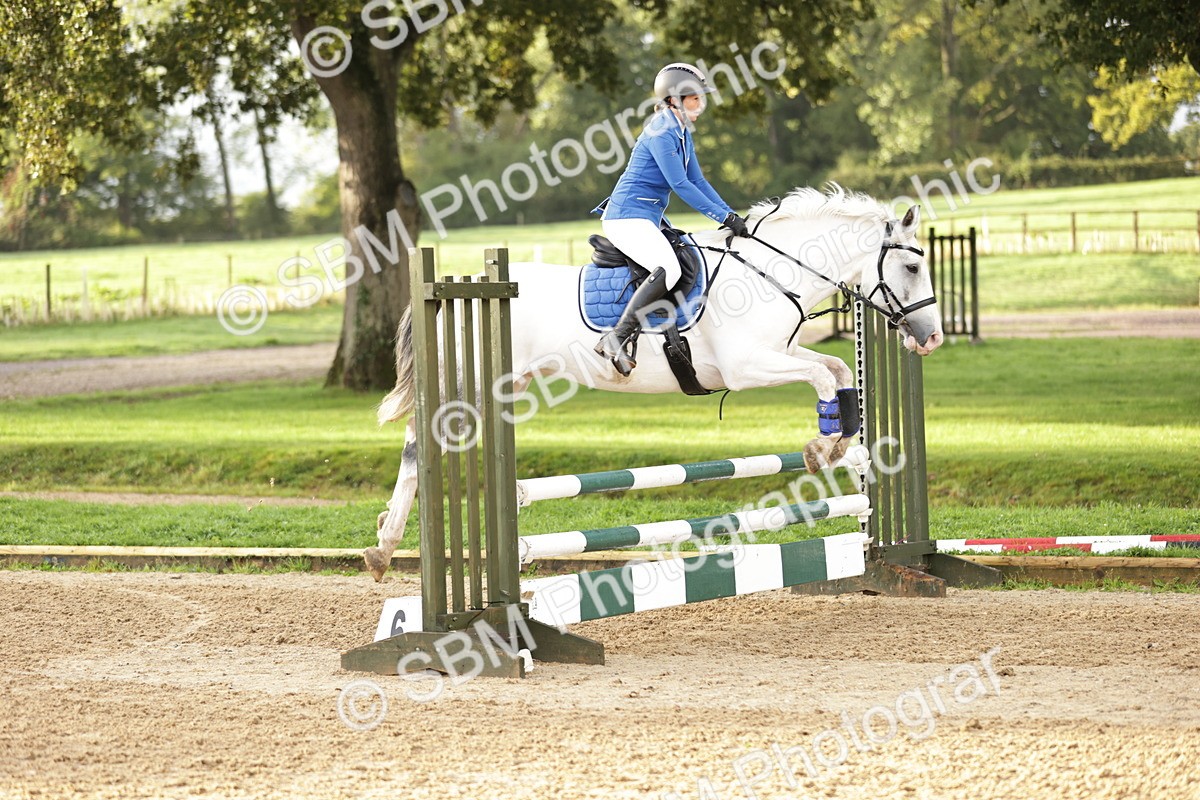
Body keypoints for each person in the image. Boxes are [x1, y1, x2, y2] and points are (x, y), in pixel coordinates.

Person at [592, 62, 749, 376]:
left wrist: (730, 215)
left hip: (646, 218)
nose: (700, 104)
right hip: (626, 218)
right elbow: (680, 185)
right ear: (675, 99)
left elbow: (699, 182)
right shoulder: (661, 130)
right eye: (694, 98)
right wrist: (721, 215)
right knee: (671, 269)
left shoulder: (680, 132)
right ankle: (616, 337)